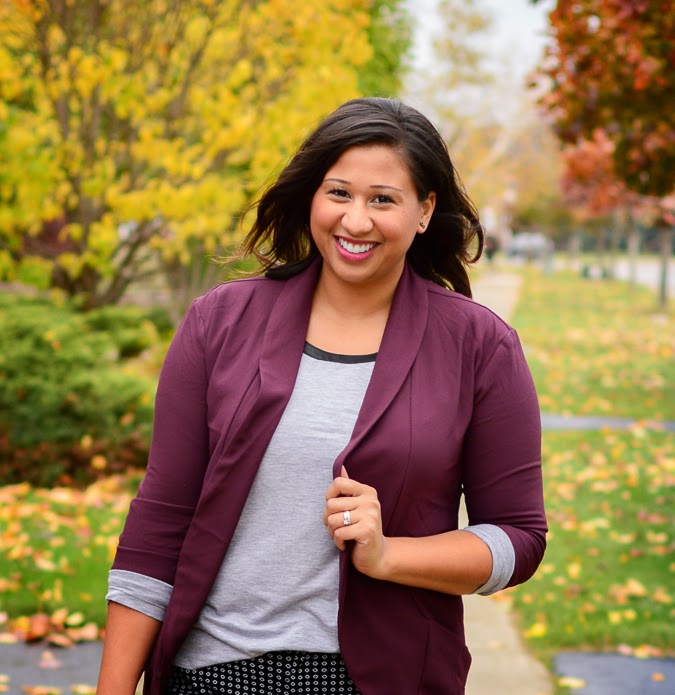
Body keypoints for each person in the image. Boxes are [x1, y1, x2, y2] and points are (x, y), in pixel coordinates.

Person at [96, 97, 546, 695]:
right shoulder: (219, 322)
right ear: (312, 196)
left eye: (382, 199)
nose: (355, 221)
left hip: (381, 678)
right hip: (209, 674)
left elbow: (518, 537)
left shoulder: (479, 345)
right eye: (339, 193)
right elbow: (159, 523)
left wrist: (391, 557)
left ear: (424, 210)